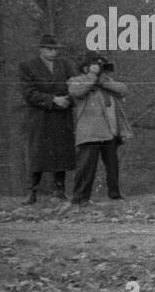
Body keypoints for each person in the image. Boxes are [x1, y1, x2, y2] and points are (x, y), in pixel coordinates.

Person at [65, 51, 132, 208]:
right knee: (86, 168)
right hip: (89, 133)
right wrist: (92, 77)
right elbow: (76, 91)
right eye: (96, 64)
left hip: (109, 132)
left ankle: (115, 194)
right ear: (86, 67)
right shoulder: (77, 80)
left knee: (112, 166)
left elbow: (123, 90)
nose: (100, 68)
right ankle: (80, 198)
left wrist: (102, 81)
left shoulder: (105, 82)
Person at [19, 34, 77, 204]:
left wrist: (68, 100)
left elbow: (76, 86)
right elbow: (28, 93)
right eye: (49, 49)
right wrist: (52, 100)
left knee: (61, 153)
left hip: (62, 115)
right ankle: (32, 191)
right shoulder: (28, 66)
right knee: (38, 153)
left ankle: (59, 190)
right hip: (40, 116)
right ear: (41, 49)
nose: (53, 52)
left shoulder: (65, 65)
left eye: (55, 49)